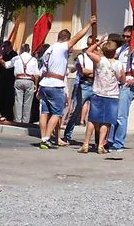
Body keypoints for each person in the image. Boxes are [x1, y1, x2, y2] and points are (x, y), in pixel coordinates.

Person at [37, 18, 94, 149]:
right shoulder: (62, 47)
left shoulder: (49, 49)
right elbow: (78, 37)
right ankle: (46, 139)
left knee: (45, 112)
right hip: (55, 84)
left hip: (45, 83)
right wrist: (89, 24)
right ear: (67, 40)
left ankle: (43, 137)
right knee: (57, 113)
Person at [108, 25, 134, 152]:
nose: (126, 38)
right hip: (117, 84)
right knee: (113, 115)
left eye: (128, 36)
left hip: (127, 85)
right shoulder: (121, 49)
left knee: (121, 115)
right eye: (124, 36)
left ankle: (118, 143)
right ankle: (110, 141)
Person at [80, 35, 121, 154]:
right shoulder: (118, 64)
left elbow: (88, 51)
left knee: (93, 119)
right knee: (106, 121)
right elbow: (122, 79)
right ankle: (101, 145)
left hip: (98, 93)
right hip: (112, 95)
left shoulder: (99, 60)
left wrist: (99, 43)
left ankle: (86, 143)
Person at [63, 32, 99, 145]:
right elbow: (82, 71)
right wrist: (93, 72)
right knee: (75, 111)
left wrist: (93, 73)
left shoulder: (99, 58)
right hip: (83, 85)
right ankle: (67, 135)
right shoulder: (81, 57)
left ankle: (98, 141)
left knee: (96, 114)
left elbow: (100, 73)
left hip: (96, 85)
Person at [4, 40, 38, 124]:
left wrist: (0, 60)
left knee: (18, 102)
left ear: (21, 50)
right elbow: (36, 74)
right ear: (29, 50)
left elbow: (6, 65)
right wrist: (35, 84)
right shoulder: (33, 59)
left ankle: (18, 120)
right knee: (28, 102)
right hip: (29, 80)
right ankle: (25, 121)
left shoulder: (17, 58)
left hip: (19, 80)